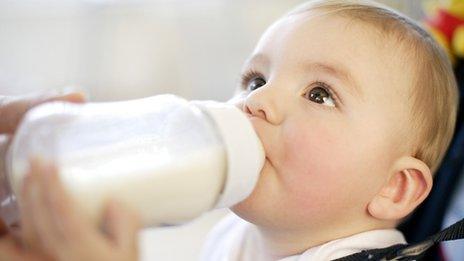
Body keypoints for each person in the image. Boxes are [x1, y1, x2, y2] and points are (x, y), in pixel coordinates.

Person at [0, 0, 460, 260]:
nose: (256, 102)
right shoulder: (238, 235)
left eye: (319, 94)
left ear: (394, 188)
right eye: (256, 80)